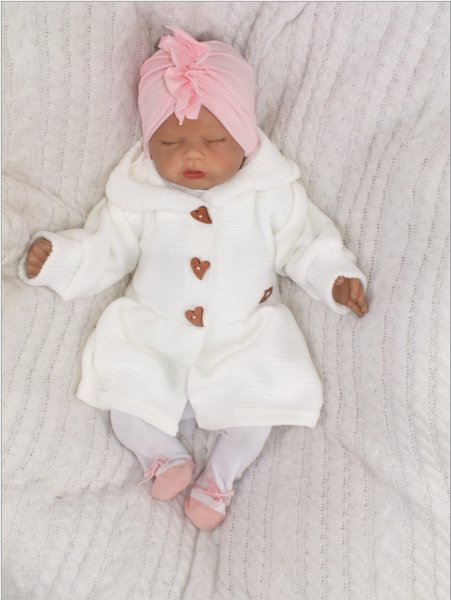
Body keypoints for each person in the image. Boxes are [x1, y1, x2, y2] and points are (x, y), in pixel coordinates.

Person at [20, 27, 369, 531]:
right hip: (155, 334)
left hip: (244, 336)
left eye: (213, 141)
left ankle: (219, 481)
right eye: (170, 142)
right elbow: (108, 247)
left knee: (258, 414)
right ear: (148, 144)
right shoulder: (138, 197)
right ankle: (164, 457)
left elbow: (305, 242)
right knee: (123, 401)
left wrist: (335, 278)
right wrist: (59, 258)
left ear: (246, 138)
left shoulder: (270, 193)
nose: (192, 155)